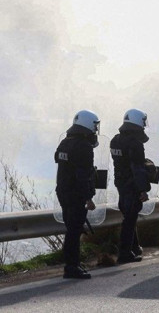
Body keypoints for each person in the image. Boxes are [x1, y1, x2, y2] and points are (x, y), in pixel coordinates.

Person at [55, 109, 99, 279]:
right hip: (76, 194)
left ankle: (72, 264)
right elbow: (82, 176)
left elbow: (59, 160)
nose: (95, 129)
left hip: (63, 192)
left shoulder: (65, 143)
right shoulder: (84, 147)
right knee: (74, 231)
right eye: (94, 126)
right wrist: (88, 198)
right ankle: (72, 267)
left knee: (71, 229)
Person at [110, 108, 151, 264]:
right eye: (143, 122)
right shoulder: (135, 143)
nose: (144, 125)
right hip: (132, 185)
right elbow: (137, 168)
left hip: (120, 184)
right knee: (130, 218)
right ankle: (125, 253)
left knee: (129, 216)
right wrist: (143, 189)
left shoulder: (115, 140)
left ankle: (134, 248)